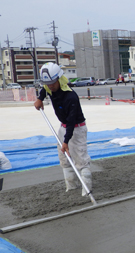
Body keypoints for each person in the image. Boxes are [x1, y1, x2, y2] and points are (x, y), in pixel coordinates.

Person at [33, 62, 92, 196]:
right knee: (64, 158)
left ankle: (87, 190)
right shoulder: (49, 88)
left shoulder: (71, 97)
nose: (50, 86)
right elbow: (44, 90)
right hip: (63, 127)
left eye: (53, 82)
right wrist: (40, 99)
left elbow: (71, 122)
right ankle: (71, 187)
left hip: (77, 129)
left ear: (59, 79)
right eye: (47, 83)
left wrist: (65, 142)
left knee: (80, 159)